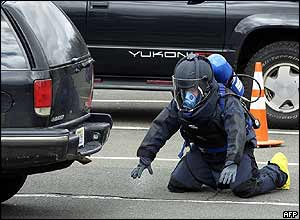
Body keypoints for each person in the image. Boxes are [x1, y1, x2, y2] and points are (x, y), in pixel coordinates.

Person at [130, 53, 290, 198]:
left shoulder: (226, 100)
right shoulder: (178, 104)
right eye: (183, 89)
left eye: (191, 89)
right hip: (204, 152)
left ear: (204, 86)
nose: (186, 96)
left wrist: (232, 162)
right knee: (177, 184)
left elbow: (237, 133)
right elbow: (161, 126)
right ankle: (219, 178)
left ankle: (278, 171)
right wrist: (146, 156)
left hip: (234, 151)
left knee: (244, 188)